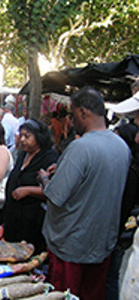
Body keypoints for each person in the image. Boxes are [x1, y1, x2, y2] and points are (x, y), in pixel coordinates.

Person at [38, 86, 131, 300]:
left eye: (72, 114)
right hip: (101, 243)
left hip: (71, 245)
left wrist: (43, 178)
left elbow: (55, 195)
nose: (71, 121)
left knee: (63, 296)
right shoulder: (121, 146)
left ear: (83, 112)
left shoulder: (81, 147)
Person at [0, 119, 58, 254]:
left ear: (39, 137)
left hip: (33, 221)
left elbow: (55, 190)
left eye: (27, 136)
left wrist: (28, 191)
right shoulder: (23, 154)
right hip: (13, 217)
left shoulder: (49, 157)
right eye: (21, 135)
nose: (22, 139)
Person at [106, 123, 139, 300]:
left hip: (120, 232)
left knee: (111, 276)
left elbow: (124, 206)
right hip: (122, 232)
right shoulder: (127, 166)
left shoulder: (131, 172)